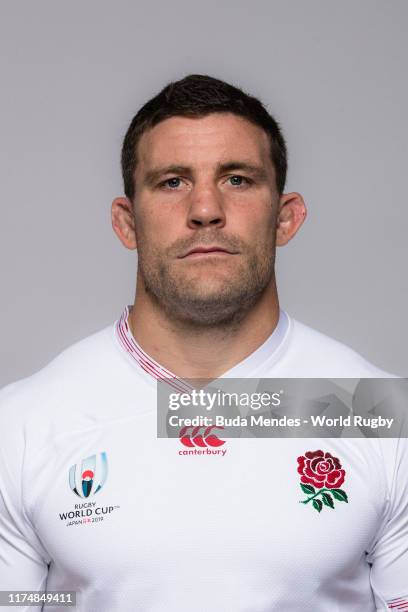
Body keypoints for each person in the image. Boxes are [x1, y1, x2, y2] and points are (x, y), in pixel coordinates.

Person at [0, 74, 406, 611]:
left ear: (286, 217)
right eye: (172, 181)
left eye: (237, 179)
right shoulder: (23, 425)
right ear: (127, 223)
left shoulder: (377, 412)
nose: (205, 209)